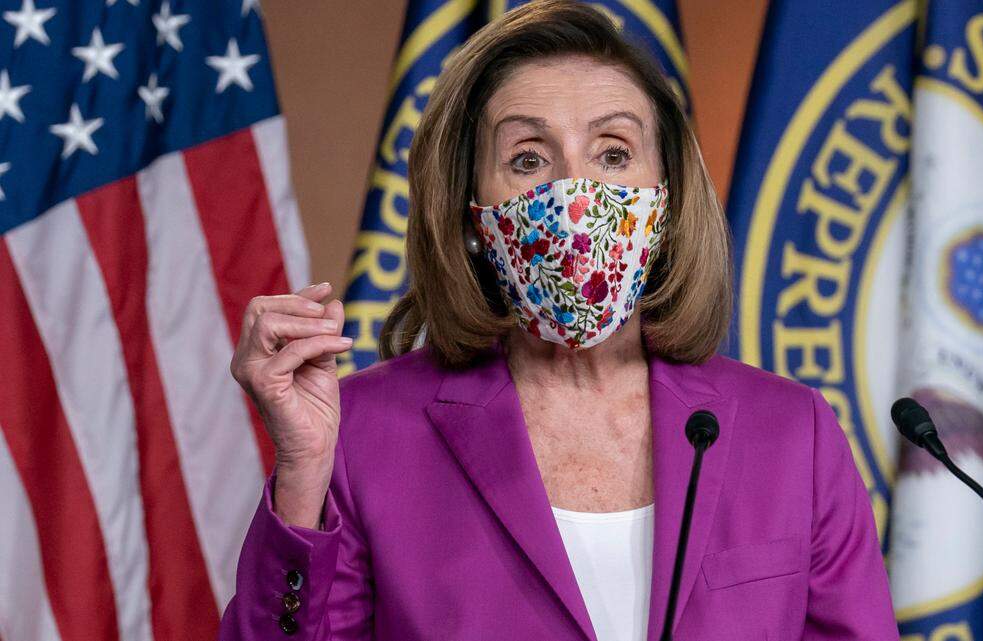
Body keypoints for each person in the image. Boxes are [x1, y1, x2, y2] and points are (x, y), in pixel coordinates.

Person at [219, 1, 897, 639]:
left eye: (612, 154)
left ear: (666, 200)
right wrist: (304, 472)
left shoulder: (792, 435)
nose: (576, 194)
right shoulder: (363, 435)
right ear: (471, 213)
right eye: (528, 159)